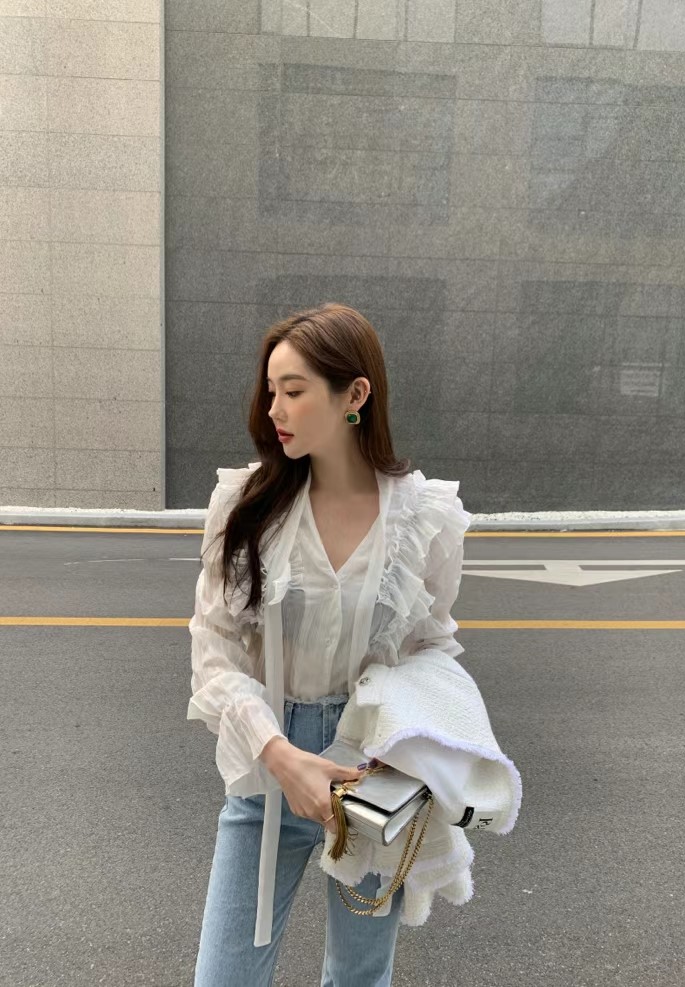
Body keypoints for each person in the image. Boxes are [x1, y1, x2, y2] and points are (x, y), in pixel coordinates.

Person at [186, 303, 522, 986]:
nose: (274, 409)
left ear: (355, 395)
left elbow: (430, 644)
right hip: (269, 766)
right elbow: (213, 648)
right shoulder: (246, 505)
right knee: (226, 976)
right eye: (271, 390)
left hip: (373, 770)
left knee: (360, 976)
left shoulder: (423, 517)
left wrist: (421, 741)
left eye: (294, 390)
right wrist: (279, 753)